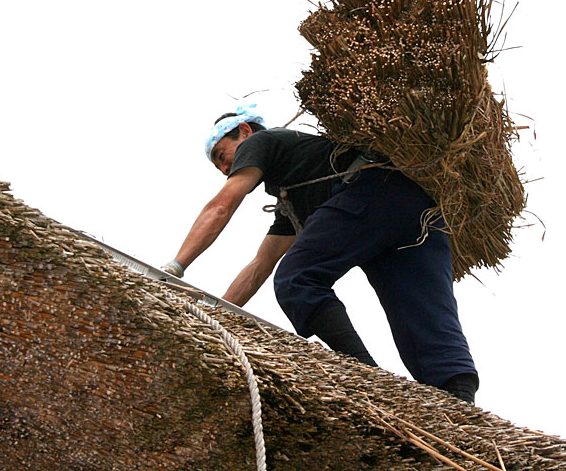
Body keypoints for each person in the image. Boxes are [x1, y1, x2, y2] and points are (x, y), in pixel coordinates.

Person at [161, 105, 479, 403]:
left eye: (221, 156)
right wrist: (218, 314)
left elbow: (221, 207)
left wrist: (177, 265)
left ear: (244, 131)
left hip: (368, 188)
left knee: (297, 278)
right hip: (418, 210)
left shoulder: (261, 141)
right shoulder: (293, 193)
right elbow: (260, 265)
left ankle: (367, 376)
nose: (224, 168)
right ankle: (459, 404)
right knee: (420, 310)